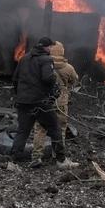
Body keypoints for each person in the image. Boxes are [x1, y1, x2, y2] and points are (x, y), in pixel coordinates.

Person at [9, 37, 74, 170]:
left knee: (22, 131)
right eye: (50, 47)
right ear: (45, 47)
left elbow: (15, 79)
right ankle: (61, 160)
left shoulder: (24, 58)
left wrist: (19, 95)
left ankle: (12, 162)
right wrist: (53, 89)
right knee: (55, 128)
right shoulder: (46, 59)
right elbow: (47, 78)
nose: (51, 49)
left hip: (23, 102)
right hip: (40, 102)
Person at [30, 40, 79, 168]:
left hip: (43, 101)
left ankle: (36, 157)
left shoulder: (41, 64)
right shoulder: (68, 68)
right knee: (60, 129)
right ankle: (58, 157)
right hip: (60, 103)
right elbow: (74, 81)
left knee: (40, 129)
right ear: (62, 52)